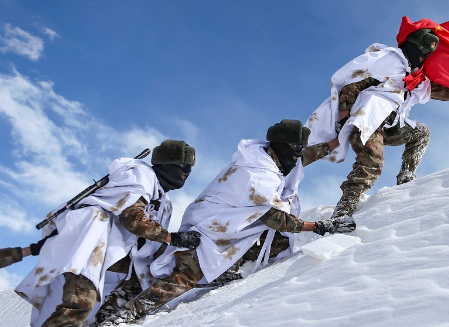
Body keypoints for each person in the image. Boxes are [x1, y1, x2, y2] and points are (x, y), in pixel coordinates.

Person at [99, 120, 340, 326]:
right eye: (295, 149)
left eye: (301, 149)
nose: (298, 155)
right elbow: (276, 219)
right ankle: (124, 315)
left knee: (167, 269)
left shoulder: (272, 159)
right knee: (185, 275)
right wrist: (317, 227)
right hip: (207, 229)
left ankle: (224, 271)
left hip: (224, 231)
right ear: (281, 147)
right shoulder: (255, 172)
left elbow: (303, 158)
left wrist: (337, 140)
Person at [13, 139, 200, 327]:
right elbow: (132, 217)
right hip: (90, 248)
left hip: (118, 266)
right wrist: (173, 238)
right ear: (168, 164)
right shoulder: (140, 174)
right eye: (184, 166)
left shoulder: (165, 202)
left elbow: (149, 242)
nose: (187, 173)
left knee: (95, 314)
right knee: (78, 306)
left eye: (190, 169)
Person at [305, 18, 449, 229]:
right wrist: (344, 116)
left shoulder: (412, 75)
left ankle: (406, 177)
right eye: (423, 54)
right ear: (414, 49)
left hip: (390, 125)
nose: (424, 59)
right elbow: (353, 84)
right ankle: (342, 212)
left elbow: (438, 90)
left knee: (421, 133)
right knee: (371, 165)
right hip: (368, 120)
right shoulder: (388, 62)